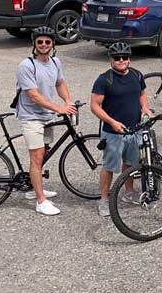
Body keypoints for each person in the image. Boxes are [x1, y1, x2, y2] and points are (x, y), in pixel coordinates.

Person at [13, 26, 76, 216]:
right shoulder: (26, 66)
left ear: (53, 43)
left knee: (44, 152)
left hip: (47, 116)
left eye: (47, 41)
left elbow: (60, 83)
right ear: (34, 43)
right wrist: (59, 108)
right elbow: (33, 95)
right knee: (37, 157)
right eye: (39, 42)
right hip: (31, 117)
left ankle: (34, 187)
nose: (43, 45)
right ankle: (41, 201)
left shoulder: (55, 62)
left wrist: (67, 101)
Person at [90, 43, 150, 218]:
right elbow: (94, 105)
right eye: (117, 58)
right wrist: (112, 121)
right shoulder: (104, 79)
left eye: (125, 57)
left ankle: (129, 193)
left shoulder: (137, 75)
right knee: (109, 167)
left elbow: (142, 93)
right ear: (111, 60)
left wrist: (145, 108)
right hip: (113, 132)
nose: (121, 60)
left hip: (134, 129)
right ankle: (104, 200)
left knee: (130, 164)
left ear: (129, 59)